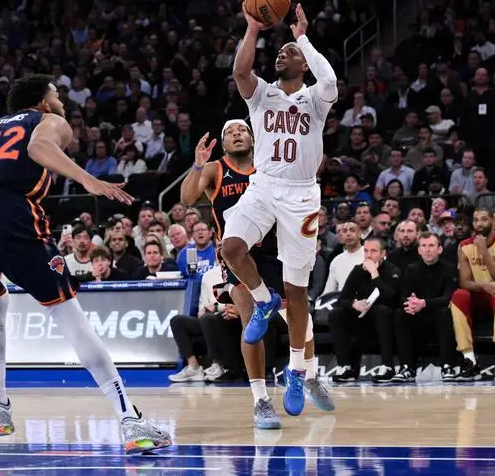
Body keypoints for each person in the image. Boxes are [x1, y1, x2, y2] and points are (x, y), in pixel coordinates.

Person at [0, 75, 171, 453]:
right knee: (68, 313)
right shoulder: (49, 122)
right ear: (41, 102)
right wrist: (87, 179)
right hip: (10, 213)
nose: (62, 103)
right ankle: (130, 420)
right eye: (57, 96)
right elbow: (39, 146)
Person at [180, 119, 334, 430]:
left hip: (278, 251)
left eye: (242, 131)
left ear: (254, 137)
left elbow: (315, 165)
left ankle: (310, 376)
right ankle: (261, 400)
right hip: (242, 258)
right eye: (230, 133)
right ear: (223, 144)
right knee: (251, 321)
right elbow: (186, 200)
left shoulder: (270, 164)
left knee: (298, 317)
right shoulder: (215, 169)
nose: (237, 134)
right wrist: (197, 166)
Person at [224, 2, 338, 417]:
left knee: (297, 290)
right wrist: (253, 29)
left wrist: (303, 37)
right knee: (231, 248)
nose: (282, 55)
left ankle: (295, 371)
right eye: (281, 51)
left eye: (290, 52)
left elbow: (330, 78)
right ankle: (261, 299)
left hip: (303, 196)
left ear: (304, 63)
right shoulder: (262, 95)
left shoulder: (316, 99)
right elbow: (240, 72)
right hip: (264, 186)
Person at [451, 208, 495, 381]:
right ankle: (470, 361)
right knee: (458, 296)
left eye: (484, 219)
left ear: (494, 221)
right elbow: (464, 282)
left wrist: (484, 253)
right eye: (475, 220)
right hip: (480, 295)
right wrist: (484, 285)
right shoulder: (464, 246)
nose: (479, 224)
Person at [327, 237, 401, 382]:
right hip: (361, 319)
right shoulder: (357, 271)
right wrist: (354, 304)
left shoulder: (393, 271)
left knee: (382, 311)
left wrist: (374, 274)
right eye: (366, 251)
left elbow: (388, 298)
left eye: (373, 251)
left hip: (384, 321)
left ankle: (387, 366)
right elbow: (341, 300)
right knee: (336, 314)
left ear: (382, 253)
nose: (368, 255)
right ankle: (345, 367)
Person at [393, 232, 458, 382]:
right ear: (419, 250)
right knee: (400, 313)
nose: (427, 250)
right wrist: (412, 303)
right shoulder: (411, 269)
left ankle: (447, 365)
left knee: (444, 312)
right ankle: (406, 367)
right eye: (424, 246)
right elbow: (403, 296)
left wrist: (424, 303)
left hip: (439, 316)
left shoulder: (449, 268)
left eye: (431, 246)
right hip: (418, 316)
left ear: (440, 249)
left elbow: (449, 297)